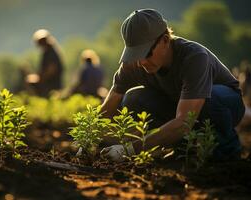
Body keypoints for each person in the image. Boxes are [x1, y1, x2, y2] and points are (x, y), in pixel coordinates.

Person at [100, 9, 245, 162]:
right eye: (135, 54)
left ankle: (227, 152)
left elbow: (184, 122)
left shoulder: (194, 57)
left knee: (209, 97)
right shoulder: (132, 65)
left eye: (146, 53)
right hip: (181, 106)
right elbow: (109, 105)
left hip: (225, 105)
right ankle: (181, 149)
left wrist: (130, 149)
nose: (141, 62)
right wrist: (88, 141)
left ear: (165, 40)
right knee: (133, 98)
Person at [30, 29, 64, 97]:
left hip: (52, 85)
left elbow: (51, 70)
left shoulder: (51, 53)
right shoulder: (47, 52)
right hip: (49, 83)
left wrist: (39, 79)